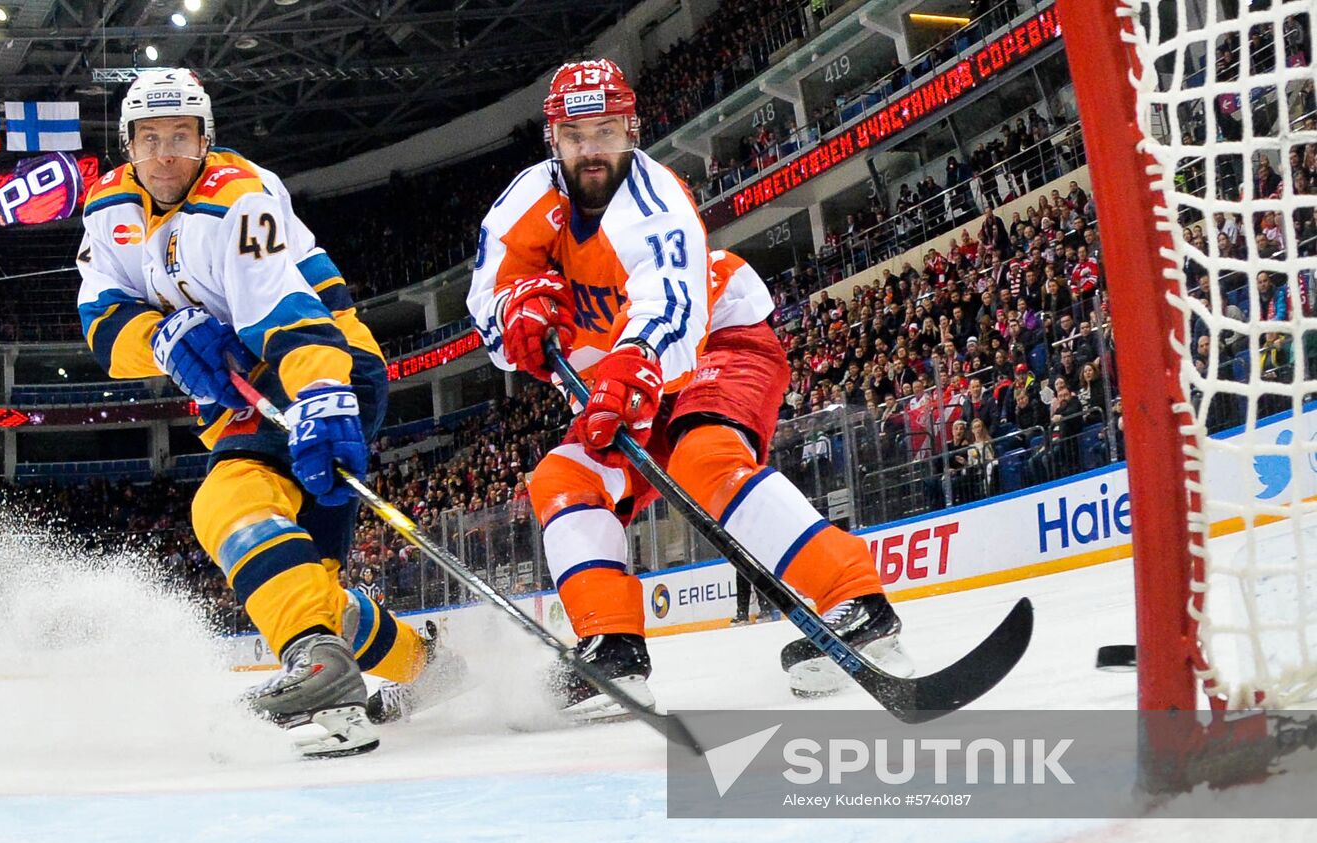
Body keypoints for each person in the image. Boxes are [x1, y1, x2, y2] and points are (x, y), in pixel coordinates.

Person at [466, 59, 910, 717]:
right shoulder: (522, 205)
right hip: (619, 381)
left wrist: (633, 364)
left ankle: (859, 602)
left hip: (715, 344)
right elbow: (487, 303)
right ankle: (612, 651)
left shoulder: (656, 201)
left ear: (632, 129)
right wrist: (514, 322)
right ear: (551, 139)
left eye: (607, 131)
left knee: (703, 460)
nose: (593, 149)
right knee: (561, 481)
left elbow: (670, 306)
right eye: (576, 134)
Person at [75, 69, 461, 756]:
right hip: (238, 396)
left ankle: (322, 670)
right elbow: (101, 319)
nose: (165, 154)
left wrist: (321, 397)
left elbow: (285, 310)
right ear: (127, 144)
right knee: (308, 587)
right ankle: (427, 671)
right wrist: (160, 335)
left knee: (226, 505)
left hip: (317, 364)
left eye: (181, 138)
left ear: (206, 140)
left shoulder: (238, 198)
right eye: (149, 138)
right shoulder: (107, 207)